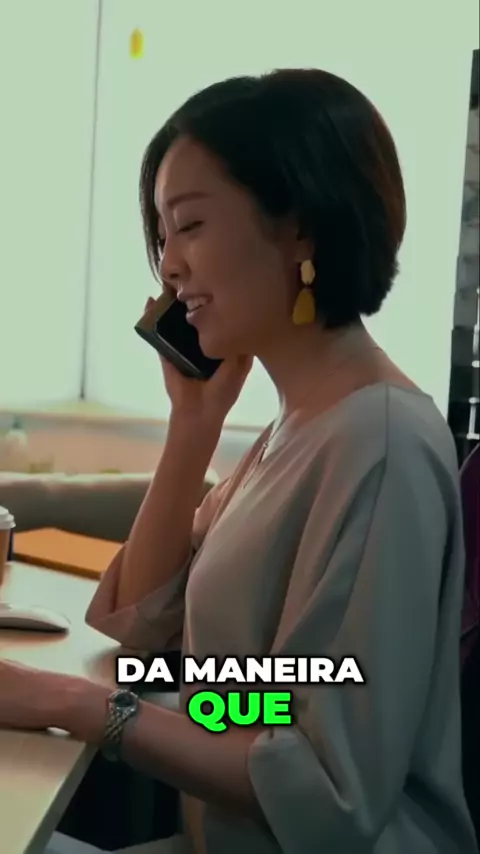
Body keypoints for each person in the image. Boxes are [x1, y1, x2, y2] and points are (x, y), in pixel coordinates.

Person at [0, 68, 476, 854]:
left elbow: (329, 780)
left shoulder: (378, 444)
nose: (168, 268)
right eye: (162, 235)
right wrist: (193, 426)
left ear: (301, 228)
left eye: (189, 225)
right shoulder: (301, 423)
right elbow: (144, 631)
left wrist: (81, 706)